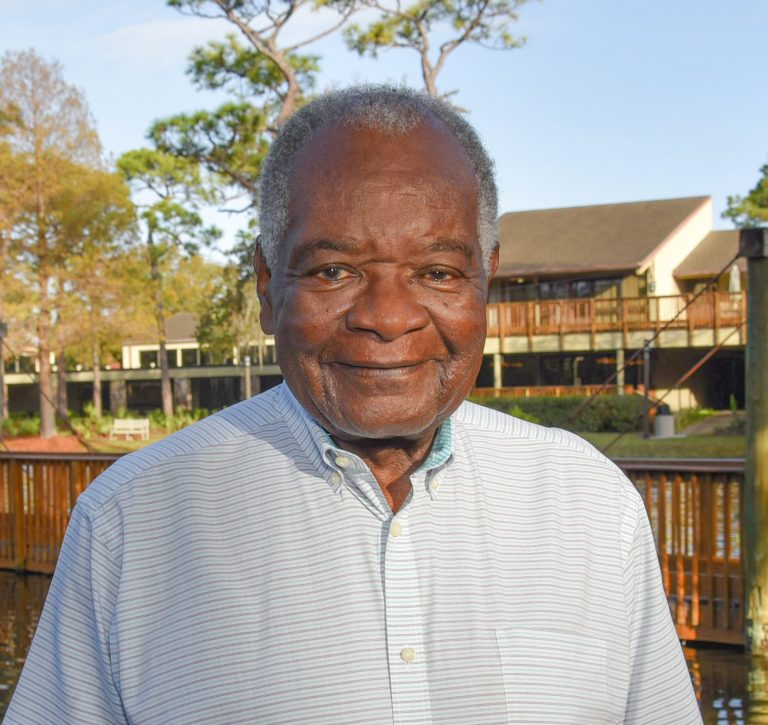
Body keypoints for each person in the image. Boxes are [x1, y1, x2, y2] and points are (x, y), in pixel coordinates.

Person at [6, 85, 701, 724]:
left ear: (486, 278)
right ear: (267, 285)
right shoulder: (132, 523)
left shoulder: (594, 506)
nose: (388, 317)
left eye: (437, 272)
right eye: (334, 270)